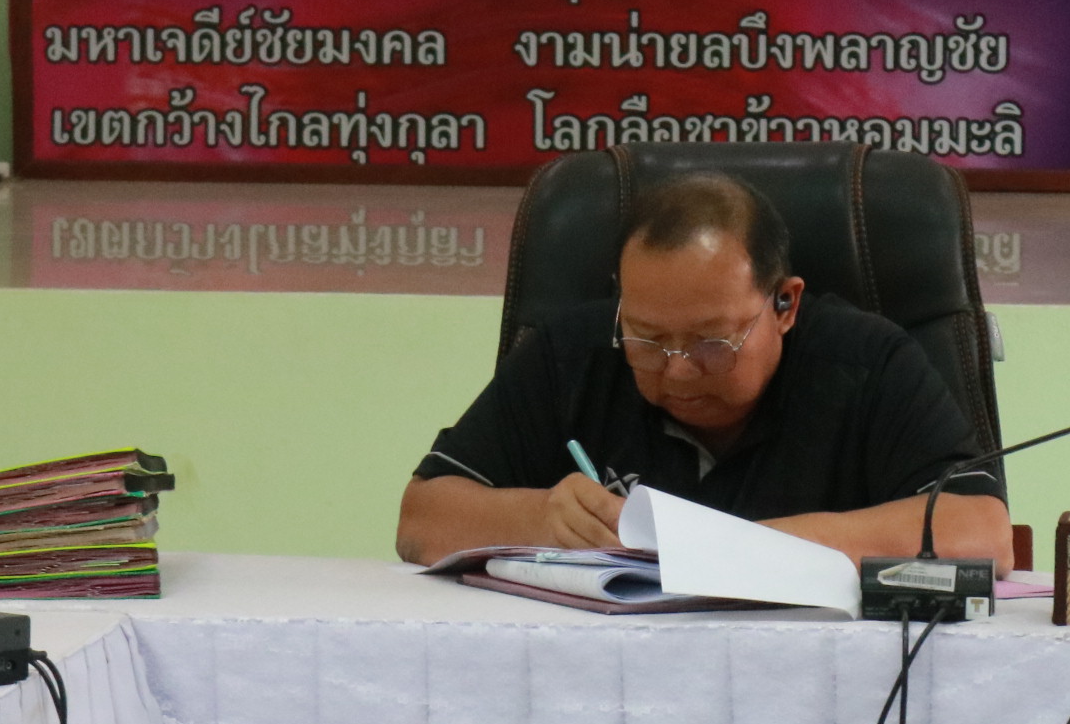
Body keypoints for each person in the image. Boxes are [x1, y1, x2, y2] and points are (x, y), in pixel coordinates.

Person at [398, 170, 1010, 572]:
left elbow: (980, 531)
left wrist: (739, 549)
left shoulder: (868, 363)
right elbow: (422, 518)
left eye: (712, 343)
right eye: (648, 340)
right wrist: (541, 519)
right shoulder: (574, 353)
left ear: (785, 305)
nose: (679, 373)